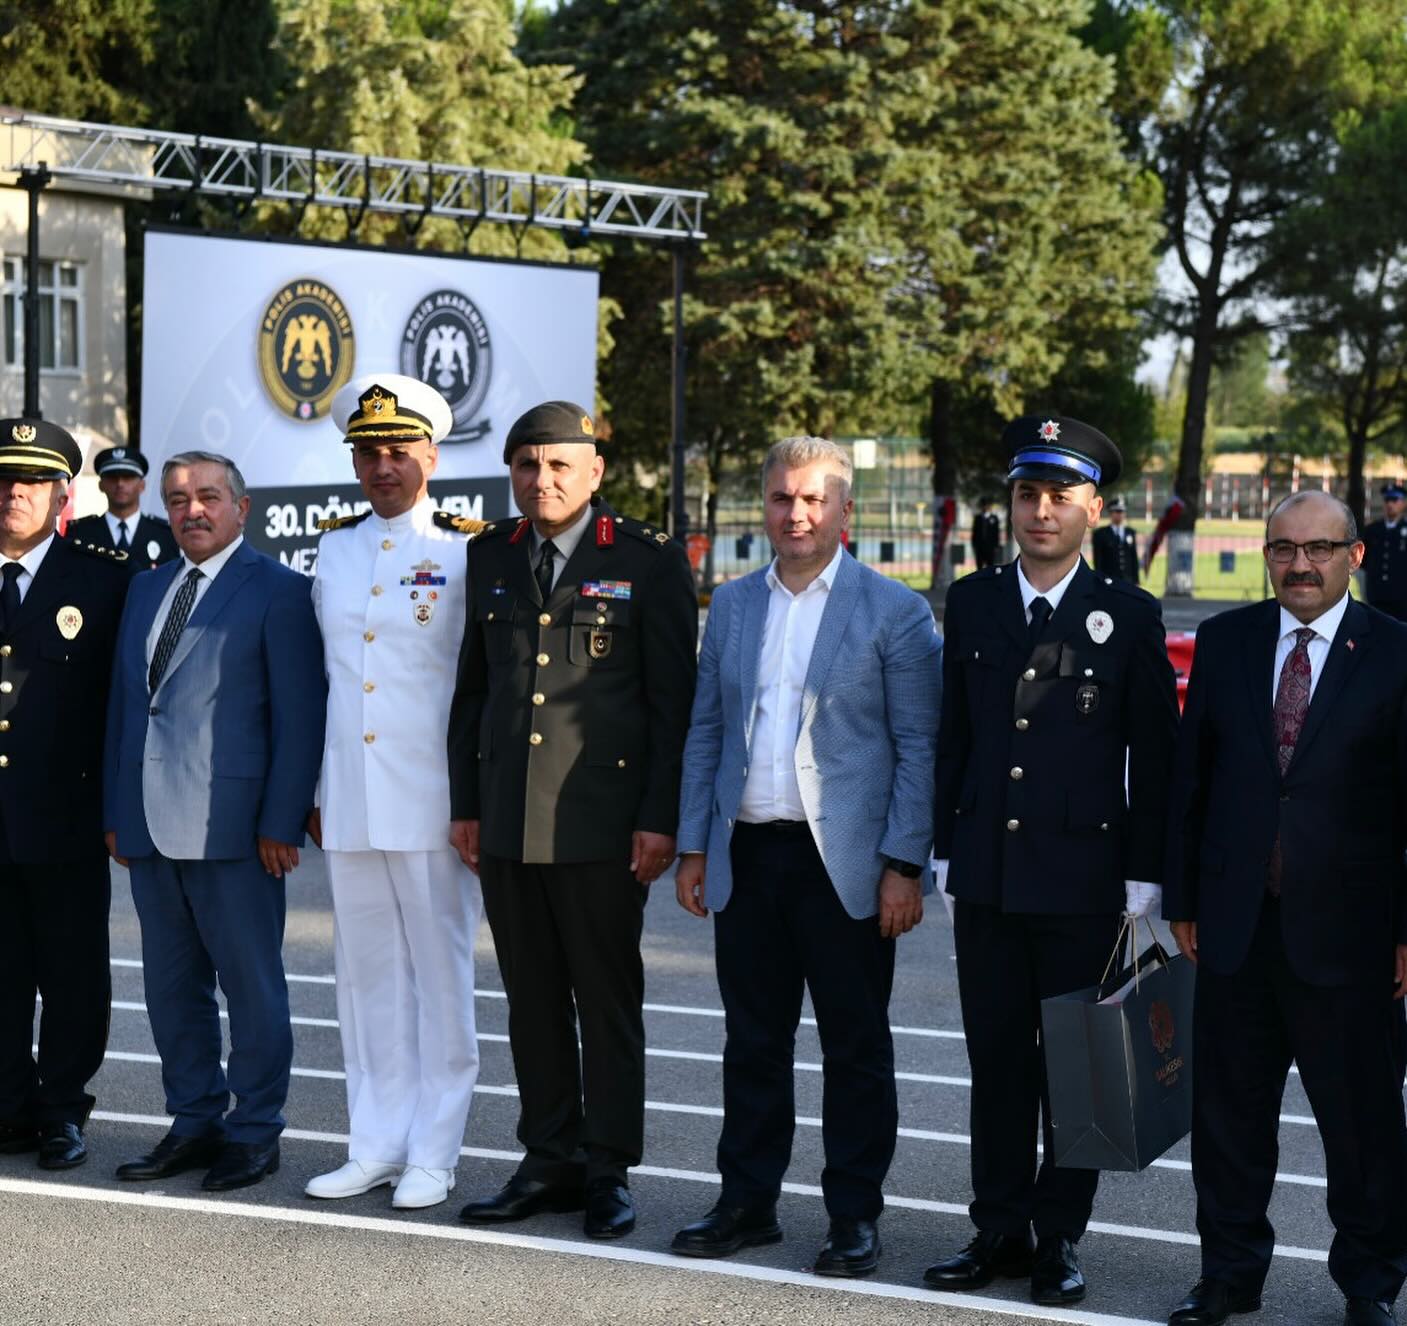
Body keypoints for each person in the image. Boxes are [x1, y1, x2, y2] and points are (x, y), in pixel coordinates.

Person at [669, 437, 941, 1277]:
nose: (796, 514)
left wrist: (903, 862)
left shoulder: (894, 612)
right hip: (747, 856)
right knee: (752, 1042)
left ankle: (853, 1214)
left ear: (844, 512)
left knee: (855, 1048)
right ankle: (747, 1202)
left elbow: (917, 747)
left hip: (847, 870)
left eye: (814, 500)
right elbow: (707, 730)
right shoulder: (735, 605)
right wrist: (692, 847)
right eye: (783, 499)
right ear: (766, 506)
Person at [927, 416, 1180, 1307]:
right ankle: (994, 1225)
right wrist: (944, 850)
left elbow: (1154, 758)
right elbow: (953, 737)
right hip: (989, 872)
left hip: (1082, 878)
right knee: (994, 1058)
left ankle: (1058, 1237)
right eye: (1027, 495)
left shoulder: (1129, 615)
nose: (1040, 511)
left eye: (1059, 497)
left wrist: (1144, 875)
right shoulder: (972, 601)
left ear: (1093, 510)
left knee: (1075, 1066)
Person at [448, 401, 697, 1239]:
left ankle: (606, 1167)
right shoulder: (489, 555)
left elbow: (673, 706)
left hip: (601, 821)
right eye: (526, 465)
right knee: (530, 1000)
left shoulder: (646, 561)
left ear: (593, 472)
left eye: (558, 465)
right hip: (511, 817)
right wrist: (467, 806)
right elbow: (473, 695)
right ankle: (548, 1157)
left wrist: (660, 820)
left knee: (605, 999)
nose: (540, 480)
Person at [1163, 490, 1407, 1326]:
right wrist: (1184, 899)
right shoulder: (1227, 642)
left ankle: (1369, 1282)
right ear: (1263, 555)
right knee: (1228, 1120)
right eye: (1282, 549)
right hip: (1234, 929)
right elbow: (1189, 781)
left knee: (1363, 1125)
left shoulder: (1396, 653)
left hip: (1354, 936)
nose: (1299, 565)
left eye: (1319, 549)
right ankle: (1228, 1275)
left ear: (1354, 555)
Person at [104, 451, 325, 1192]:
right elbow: (126, 708)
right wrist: (115, 809)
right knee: (171, 989)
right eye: (177, 499)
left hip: (236, 829)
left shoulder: (282, 592)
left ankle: (255, 1131)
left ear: (241, 506)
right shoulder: (145, 589)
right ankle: (193, 1121)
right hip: (148, 825)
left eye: (206, 496)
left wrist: (281, 822)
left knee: (252, 986)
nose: (191, 510)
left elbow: (299, 719)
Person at [304, 374, 486, 1211]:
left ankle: (434, 1150)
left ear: (431, 456)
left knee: (440, 979)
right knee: (365, 977)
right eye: (368, 452)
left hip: (431, 797)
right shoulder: (333, 549)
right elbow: (327, 682)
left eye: (397, 451)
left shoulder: (464, 546)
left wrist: (473, 801)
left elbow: (477, 686)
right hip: (349, 796)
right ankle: (373, 1141)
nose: (382, 466)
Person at [0, 418, 129, 1170]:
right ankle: (8, 1106)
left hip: (67, 817)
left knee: (73, 972)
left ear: (60, 495)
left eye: (32, 480)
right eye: (4, 479)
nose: (13, 490)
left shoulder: (103, 582)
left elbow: (121, 710)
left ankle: (60, 1110)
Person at [65, 446, 179, 574]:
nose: (120, 484)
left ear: (142, 485)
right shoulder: (80, 533)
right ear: (101, 485)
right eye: (112, 477)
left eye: (128, 477)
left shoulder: (165, 534)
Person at [1359, 483, 1407, 621]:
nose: (1390, 504)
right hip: (1376, 596)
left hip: (1402, 600)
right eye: (1387, 500)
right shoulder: (1373, 530)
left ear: (1403, 503)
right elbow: (1364, 560)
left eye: (1395, 500)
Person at [1092, 495, 1139, 584]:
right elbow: (1098, 560)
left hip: (1128, 580)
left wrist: (1136, 580)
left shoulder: (1130, 532)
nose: (1120, 514)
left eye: (1122, 511)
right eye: (1117, 511)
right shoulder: (1100, 534)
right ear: (1110, 513)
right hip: (1109, 580)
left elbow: (1134, 558)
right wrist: (1100, 579)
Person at [971, 497, 1003, 570]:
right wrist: (974, 545)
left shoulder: (994, 518)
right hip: (979, 548)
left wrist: (996, 546)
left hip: (990, 548)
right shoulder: (977, 518)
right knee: (979, 568)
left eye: (987, 505)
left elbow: (996, 533)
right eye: (983, 505)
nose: (985, 507)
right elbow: (974, 533)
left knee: (990, 567)